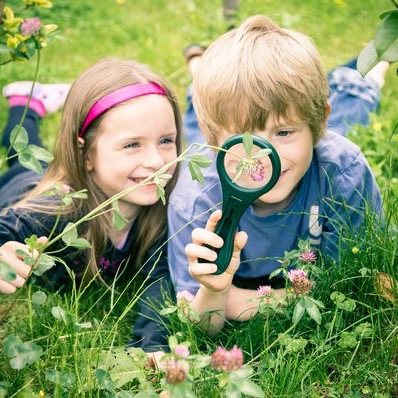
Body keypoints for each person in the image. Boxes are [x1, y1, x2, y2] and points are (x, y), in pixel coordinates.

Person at [167, 15, 386, 334]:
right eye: (243, 139)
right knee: (194, 121)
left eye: (283, 132)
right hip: (211, 151)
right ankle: (198, 68)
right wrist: (214, 291)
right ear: (214, 141)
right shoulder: (193, 201)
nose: (264, 157)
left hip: (326, 134)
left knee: (353, 108)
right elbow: (199, 325)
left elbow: (352, 283)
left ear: (319, 124)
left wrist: (239, 302)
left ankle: (369, 75)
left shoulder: (343, 171)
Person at [0, 57, 182, 352]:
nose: (157, 162)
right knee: (22, 154)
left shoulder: (165, 213)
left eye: (166, 140)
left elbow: (160, 280)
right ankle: (25, 103)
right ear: (85, 155)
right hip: (24, 186)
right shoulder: (54, 213)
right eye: (132, 144)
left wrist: (151, 347)